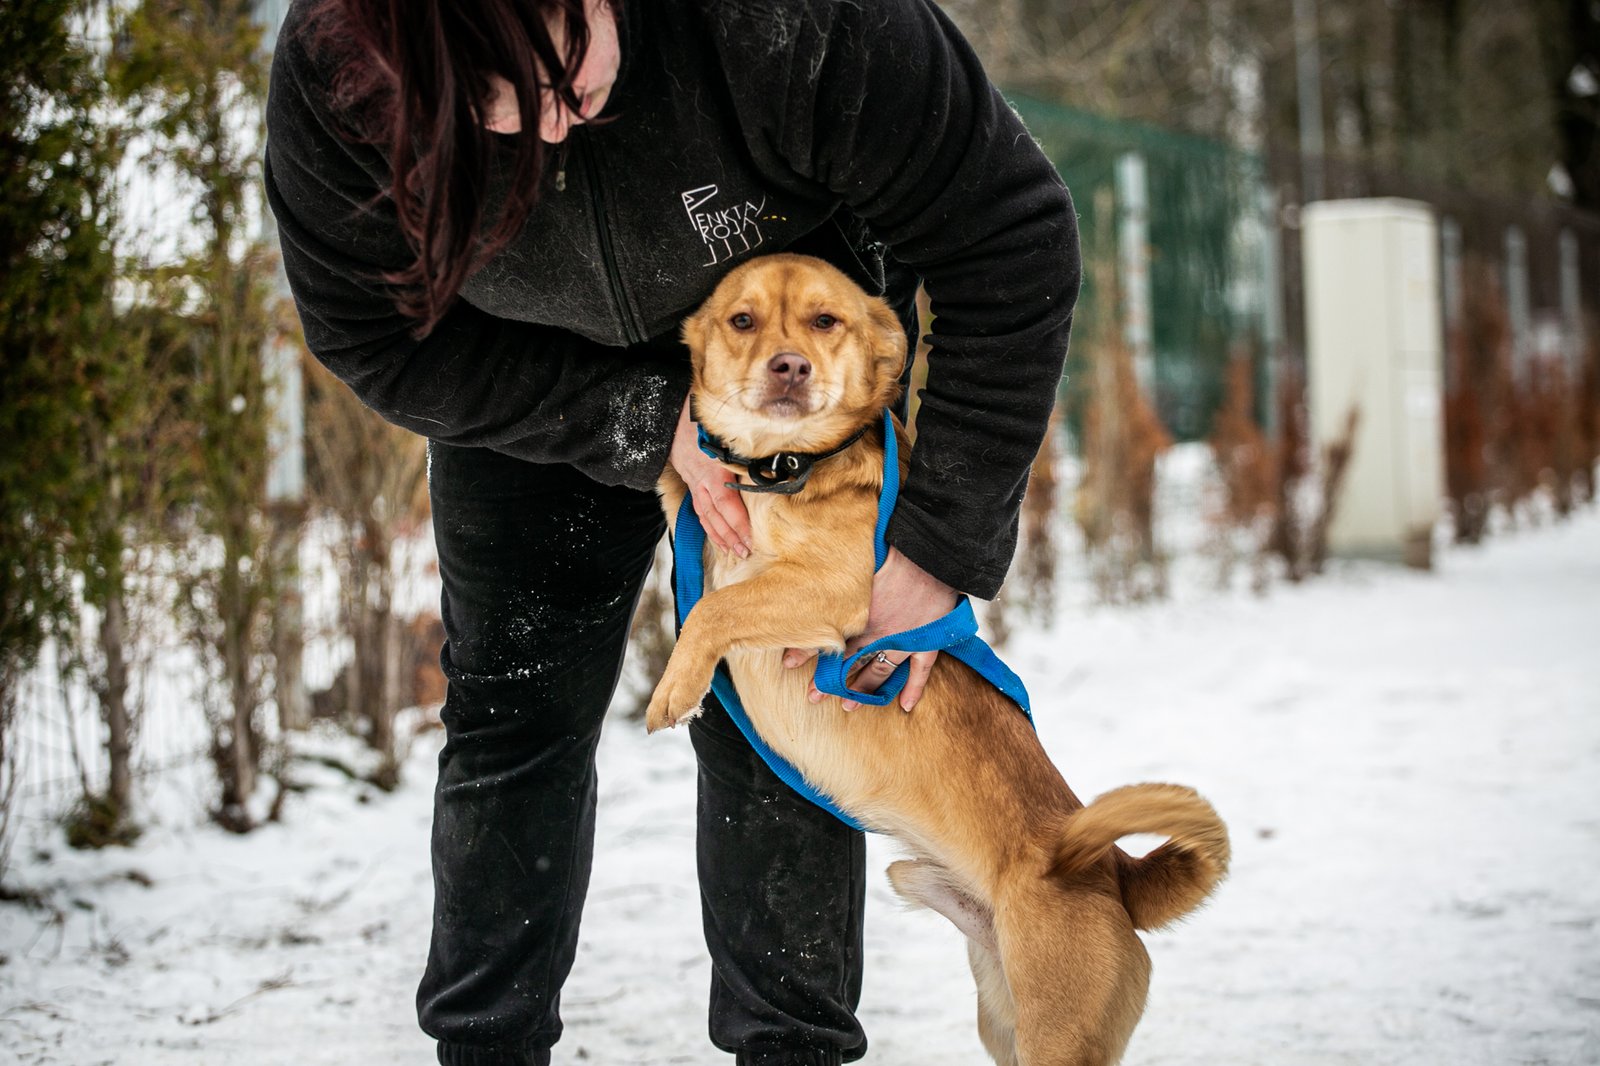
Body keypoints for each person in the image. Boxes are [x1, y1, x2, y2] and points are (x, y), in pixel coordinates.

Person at [264, 0, 1079, 1062]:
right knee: (514, 712)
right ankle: (485, 1047)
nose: (553, 126)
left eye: (567, 72)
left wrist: (937, 545)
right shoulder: (348, 66)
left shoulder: (787, 21)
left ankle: (789, 1049)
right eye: (497, 104)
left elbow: (1009, 235)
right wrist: (643, 420)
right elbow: (370, 333)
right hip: (531, 377)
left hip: (786, 362)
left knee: (783, 705)